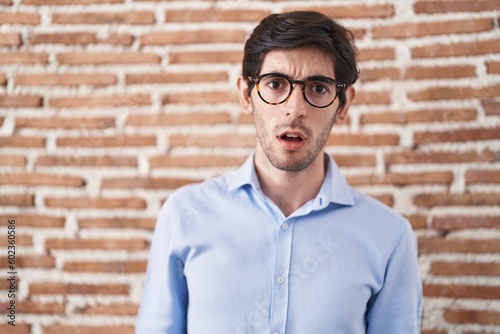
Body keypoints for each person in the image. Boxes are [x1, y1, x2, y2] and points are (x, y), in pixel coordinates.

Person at [136, 11, 422, 334]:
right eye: (275, 84)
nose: (295, 109)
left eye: (318, 88)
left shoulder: (390, 238)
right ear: (246, 95)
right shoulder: (183, 216)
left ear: (343, 104)